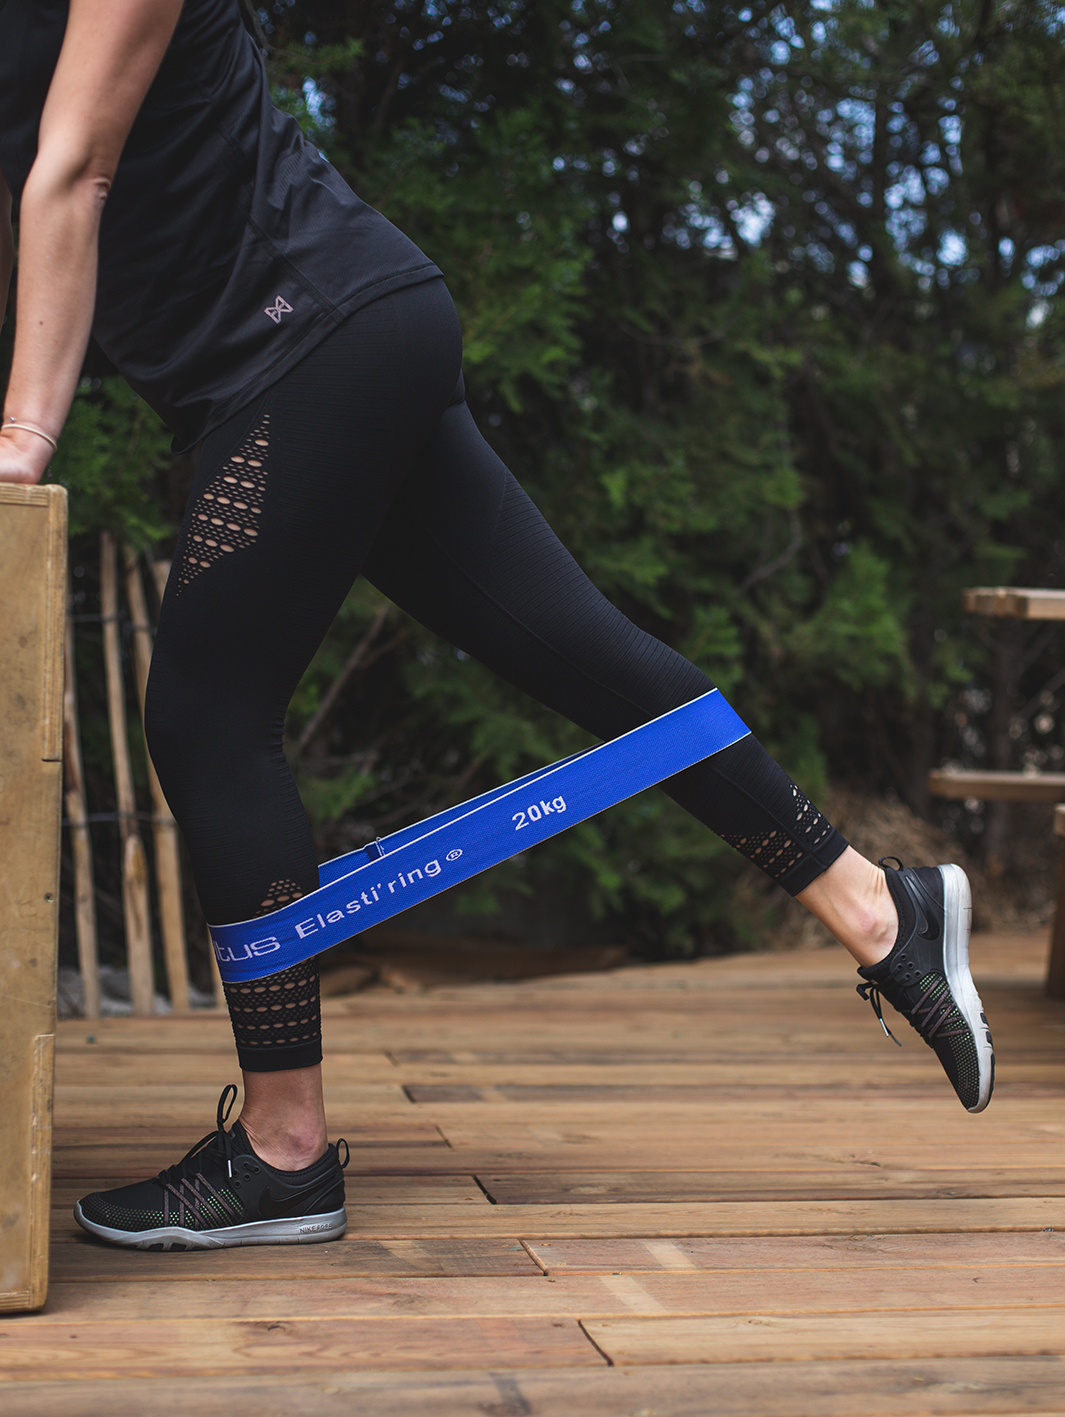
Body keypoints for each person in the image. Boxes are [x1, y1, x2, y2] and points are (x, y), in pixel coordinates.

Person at [0, 0, 994, 1253]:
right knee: (583, 653)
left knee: (207, 715)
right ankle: (883, 910)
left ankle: (285, 1149)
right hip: (342, 334)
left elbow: (74, 171)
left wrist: (20, 440)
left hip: (304, 339)